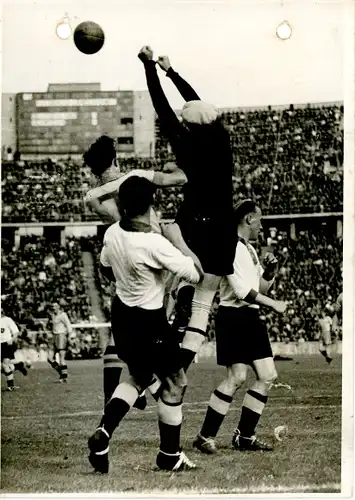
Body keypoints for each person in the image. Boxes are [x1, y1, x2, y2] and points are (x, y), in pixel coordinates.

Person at [87, 176, 203, 473]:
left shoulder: (112, 233)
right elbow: (197, 274)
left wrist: (132, 279)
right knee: (176, 383)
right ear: (150, 205)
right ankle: (169, 455)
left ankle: (104, 432)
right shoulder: (154, 243)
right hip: (149, 322)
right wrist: (176, 240)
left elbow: (103, 268)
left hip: (122, 317)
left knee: (138, 378)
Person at [138, 46, 237, 373]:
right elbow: (198, 104)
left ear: (188, 124)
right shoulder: (222, 141)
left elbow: (162, 107)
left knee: (169, 261)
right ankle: (179, 365)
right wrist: (172, 72)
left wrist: (150, 68)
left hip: (193, 223)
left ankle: (176, 292)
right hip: (224, 226)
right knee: (204, 301)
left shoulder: (185, 142)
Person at [83, 136, 188, 407]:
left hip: (119, 253)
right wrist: (171, 166)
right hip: (152, 255)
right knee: (158, 320)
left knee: (126, 329)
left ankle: (120, 391)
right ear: (115, 158)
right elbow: (181, 179)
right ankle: (148, 381)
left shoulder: (97, 195)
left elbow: (92, 200)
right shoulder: (134, 177)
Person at [193, 200, 287, 454]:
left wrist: (270, 272)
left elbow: (259, 288)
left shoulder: (250, 250)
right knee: (236, 377)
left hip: (250, 317)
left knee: (267, 376)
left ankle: (244, 437)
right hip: (233, 317)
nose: (262, 226)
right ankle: (205, 435)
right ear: (248, 219)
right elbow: (244, 292)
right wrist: (274, 304)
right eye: (260, 220)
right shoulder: (231, 247)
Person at [47, 303, 72, 383]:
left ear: (58, 307)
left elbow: (68, 325)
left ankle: (64, 377)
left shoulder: (63, 315)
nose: (53, 308)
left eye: (54, 306)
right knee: (50, 358)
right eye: (52, 306)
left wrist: (69, 337)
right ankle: (62, 373)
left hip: (61, 336)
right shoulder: (52, 316)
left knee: (61, 358)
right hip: (53, 336)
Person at [1, 310, 24, 391]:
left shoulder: (8, 320)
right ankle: (17, 366)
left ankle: (11, 385)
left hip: (5, 344)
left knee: (5, 365)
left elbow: (16, 332)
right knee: (4, 366)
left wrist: (12, 339)